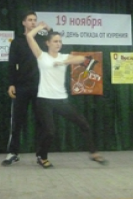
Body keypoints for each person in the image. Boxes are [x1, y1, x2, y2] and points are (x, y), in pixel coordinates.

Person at [26, 21, 108, 168]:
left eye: (60, 41)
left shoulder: (64, 57)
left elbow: (88, 61)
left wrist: (64, 62)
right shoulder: (41, 56)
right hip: (44, 99)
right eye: (55, 41)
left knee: (84, 124)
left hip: (61, 100)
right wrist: (40, 27)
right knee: (49, 131)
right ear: (47, 43)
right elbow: (29, 36)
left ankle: (93, 153)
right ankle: (42, 156)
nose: (58, 44)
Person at [2, 11, 44, 166]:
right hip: (21, 86)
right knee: (17, 121)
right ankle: (13, 152)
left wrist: (47, 29)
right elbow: (11, 64)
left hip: (40, 86)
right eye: (30, 20)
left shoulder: (42, 40)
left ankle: (41, 154)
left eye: (35, 20)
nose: (33, 22)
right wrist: (11, 84)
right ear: (23, 23)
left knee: (42, 121)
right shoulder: (17, 42)